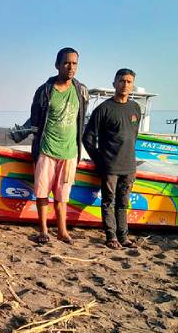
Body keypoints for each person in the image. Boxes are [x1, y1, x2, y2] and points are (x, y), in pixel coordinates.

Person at [28, 48, 90, 245]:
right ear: (57, 65)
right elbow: (35, 120)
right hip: (46, 149)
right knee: (42, 192)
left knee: (63, 195)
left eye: (74, 63)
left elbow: (82, 119)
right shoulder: (44, 91)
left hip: (70, 152)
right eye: (66, 63)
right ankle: (43, 230)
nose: (71, 67)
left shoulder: (81, 91)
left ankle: (62, 231)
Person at [82, 69, 141, 249]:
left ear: (132, 85)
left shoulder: (135, 108)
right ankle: (111, 237)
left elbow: (133, 136)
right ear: (114, 83)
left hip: (129, 166)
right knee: (108, 201)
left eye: (129, 82)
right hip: (110, 167)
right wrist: (100, 160)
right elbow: (88, 138)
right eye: (121, 81)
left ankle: (124, 237)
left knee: (123, 203)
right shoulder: (103, 109)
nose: (125, 85)